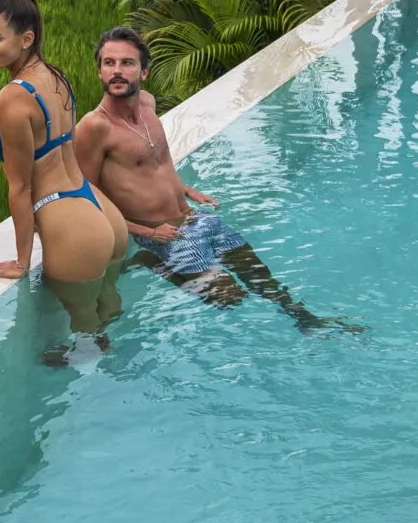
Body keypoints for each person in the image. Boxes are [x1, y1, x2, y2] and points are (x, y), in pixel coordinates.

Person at [74, 26, 348, 332]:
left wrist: (184, 188)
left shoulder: (147, 105)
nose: (117, 71)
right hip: (163, 237)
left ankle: (306, 320)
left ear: (144, 72)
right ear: (99, 71)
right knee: (230, 297)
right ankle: (153, 262)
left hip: (196, 219)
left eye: (127, 63)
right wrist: (145, 232)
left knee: (261, 278)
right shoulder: (94, 128)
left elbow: (152, 165)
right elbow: (84, 197)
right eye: (109, 63)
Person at [0, 0, 128, 343]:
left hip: (71, 228)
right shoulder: (56, 76)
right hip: (101, 212)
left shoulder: (12, 98)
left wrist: (21, 262)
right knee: (108, 324)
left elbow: (20, 188)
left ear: (26, 38)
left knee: (78, 347)